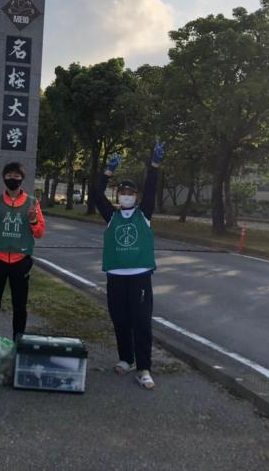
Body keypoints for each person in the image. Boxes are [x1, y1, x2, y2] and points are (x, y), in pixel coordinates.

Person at [90, 142, 165, 391]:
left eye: (130, 192)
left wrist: (153, 166)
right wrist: (107, 173)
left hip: (140, 276)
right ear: (118, 196)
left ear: (136, 196)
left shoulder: (143, 215)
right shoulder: (111, 216)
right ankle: (126, 358)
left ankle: (143, 368)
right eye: (122, 192)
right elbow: (96, 194)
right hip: (116, 276)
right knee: (120, 319)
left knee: (141, 321)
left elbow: (152, 191)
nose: (126, 195)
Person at [0, 161, 45, 339]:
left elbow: (39, 233)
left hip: (20, 260)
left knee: (20, 305)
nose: (12, 179)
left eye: (16, 176)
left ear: (22, 178)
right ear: (3, 178)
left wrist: (33, 220)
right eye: (9, 175)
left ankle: (18, 342)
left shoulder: (32, 203)